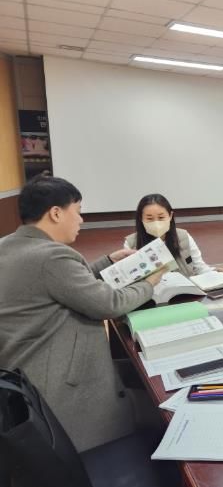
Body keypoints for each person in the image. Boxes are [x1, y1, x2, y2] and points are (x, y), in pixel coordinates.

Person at [0, 176, 165, 452]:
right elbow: (109, 304)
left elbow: (63, 283)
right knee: (160, 409)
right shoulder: (51, 257)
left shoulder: (9, 245)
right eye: (77, 212)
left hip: (24, 380)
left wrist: (107, 262)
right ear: (56, 213)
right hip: (64, 394)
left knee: (140, 379)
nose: (81, 220)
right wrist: (149, 284)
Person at [124, 194, 220, 277]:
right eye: (150, 218)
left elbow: (199, 267)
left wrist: (217, 274)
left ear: (170, 216)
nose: (156, 223)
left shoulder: (183, 237)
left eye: (161, 217)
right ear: (141, 218)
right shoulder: (131, 243)